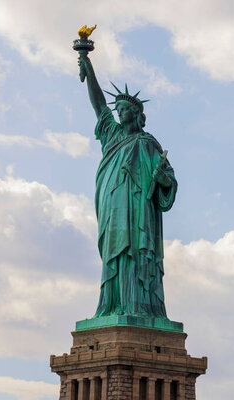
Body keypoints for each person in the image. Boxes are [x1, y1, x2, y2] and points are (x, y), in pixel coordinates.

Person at [78, 55, 177, 318]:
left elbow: (168, 180)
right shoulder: (111, 135)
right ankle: (112, 306)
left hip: (139, 209)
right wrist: (90, 71)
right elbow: (99, 106)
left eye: (124, 109)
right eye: (118, 109)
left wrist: (163, 180)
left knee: (136, 252)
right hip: (113, 206)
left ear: (136, 114)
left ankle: (139, 306)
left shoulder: (147, 143)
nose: (119, 113)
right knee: (115, 252)